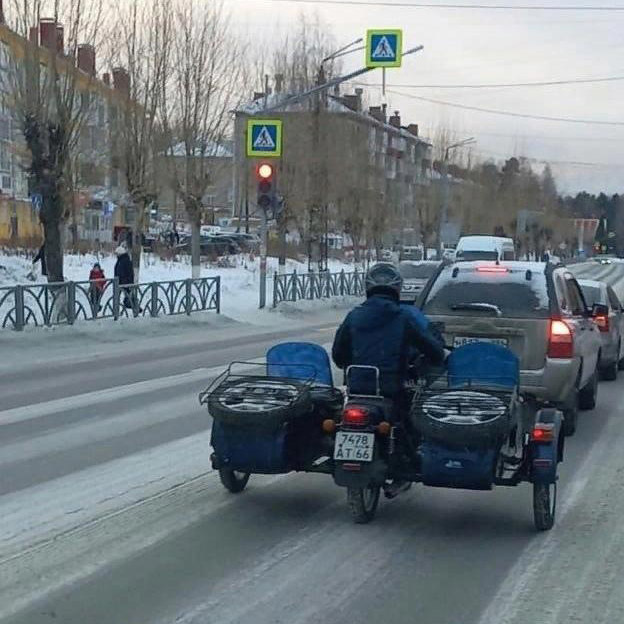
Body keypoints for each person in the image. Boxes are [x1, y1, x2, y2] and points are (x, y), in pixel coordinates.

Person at [332, 262, 446, 498]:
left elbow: (338, 355)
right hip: (391, 387)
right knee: (410, 421)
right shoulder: (403, 317)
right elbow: (432, 349)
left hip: (357, 388)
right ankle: (404, 471)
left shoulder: (354, 316)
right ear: (397, 289)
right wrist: (434, 357)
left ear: (367, 287)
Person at [114, 243, 138, 312]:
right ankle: (117, 311)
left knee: (128, 296)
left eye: (117, 254)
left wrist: (125, 280)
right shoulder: (122, 260)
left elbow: (126, 272)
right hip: (120, 282)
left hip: (124, 282)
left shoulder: (124, 261)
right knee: (121, 297)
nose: (116, 255)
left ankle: (133, 308)